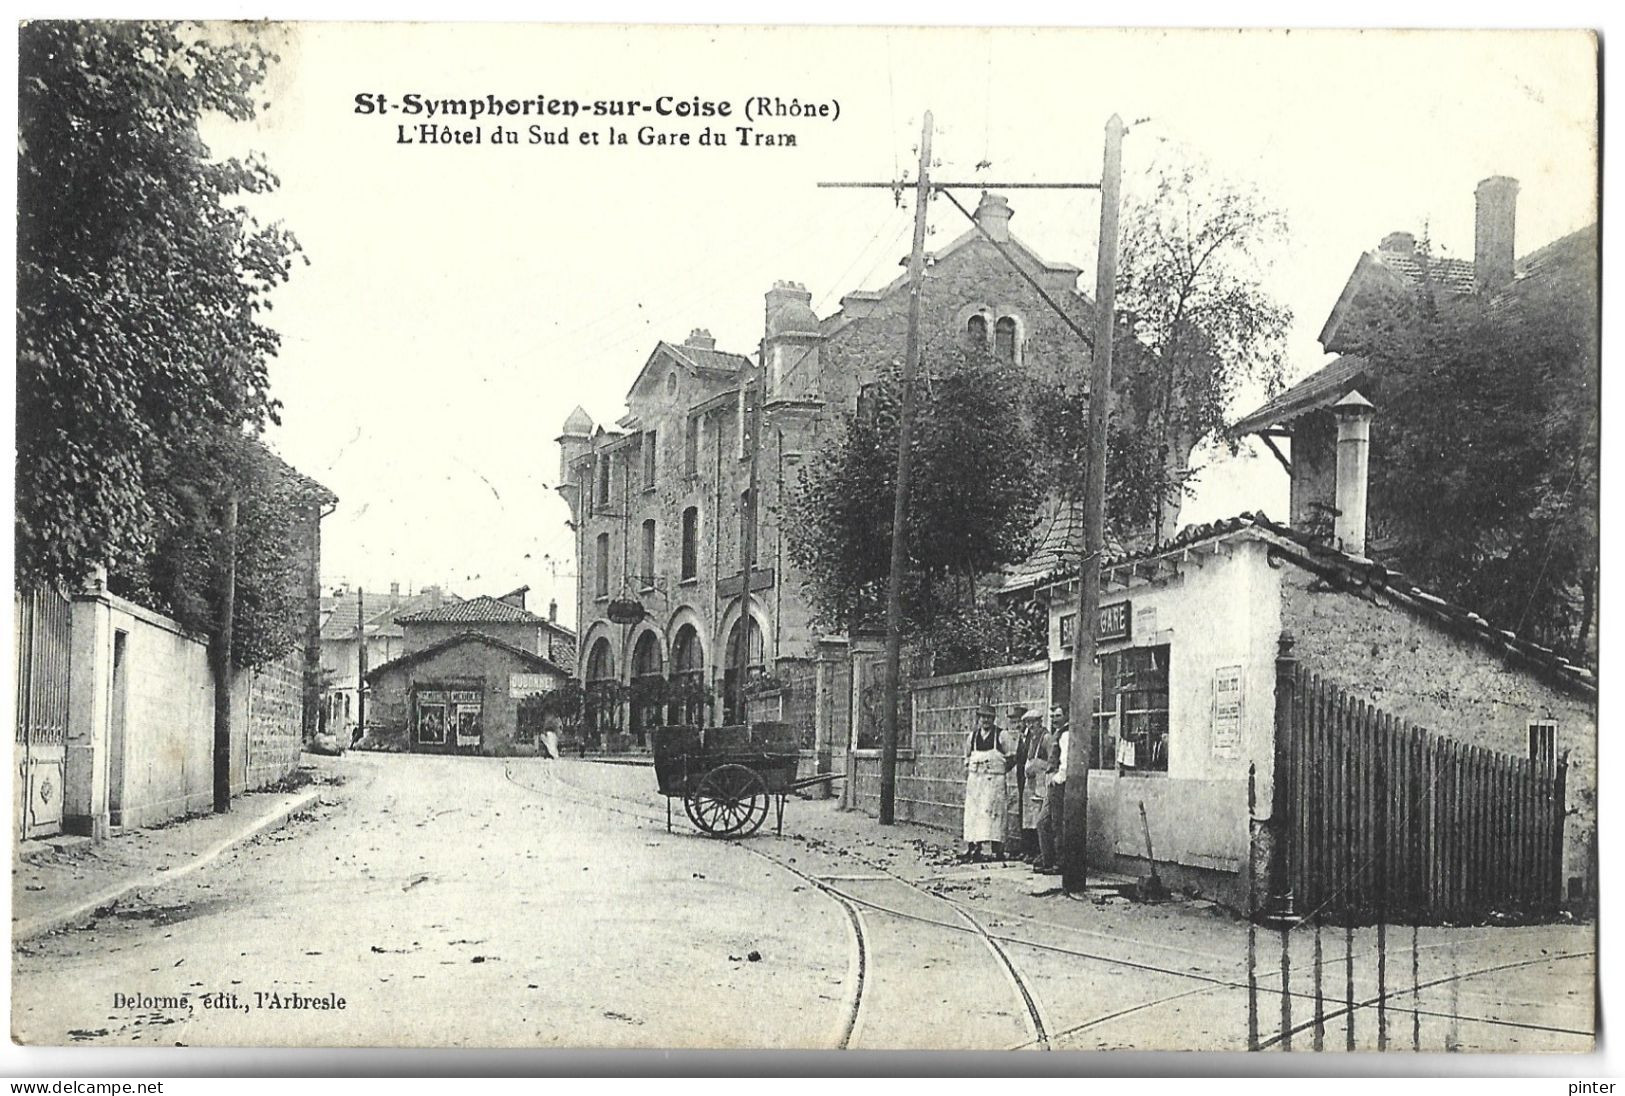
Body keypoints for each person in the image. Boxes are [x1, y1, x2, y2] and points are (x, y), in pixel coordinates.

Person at [961, 702, 1009, 861]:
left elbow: (1012, 756)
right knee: (974, 813)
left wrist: (999, 770)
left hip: (994, 781)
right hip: (976, 781)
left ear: (994, 719)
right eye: (983, 717)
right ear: (978, 718)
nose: (985, 720)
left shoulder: (1001, 735)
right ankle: (974, 847)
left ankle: (997, 850)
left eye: (989, 717)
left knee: (994, 813)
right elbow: (967, 757)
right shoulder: (972, 736)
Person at [1034, 704, 1070, 875]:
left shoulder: (1066, 734)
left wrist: (1057, 779)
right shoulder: (1058, 733)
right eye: (1053, 716)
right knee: (1042, 822)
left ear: (1066, 716)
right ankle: (1048, 859)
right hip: (1052, 782)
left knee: (1057, 824)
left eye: (1058, 715)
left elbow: (1066, 762)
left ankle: (1060, 863)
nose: (1054, 719)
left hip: (1059, 784)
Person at [1013, 708, 1046, 861]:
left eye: (1033, 722)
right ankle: (1031, 851)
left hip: (1041, 781)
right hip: (1030, 781)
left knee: (1040, 816)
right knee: (1029, 817)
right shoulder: (1031, 739)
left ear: (1040, 721)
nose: (1031, 726)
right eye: (1028, 723)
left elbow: (1052, 761)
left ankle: (1042, 852)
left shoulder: (1045, 738)